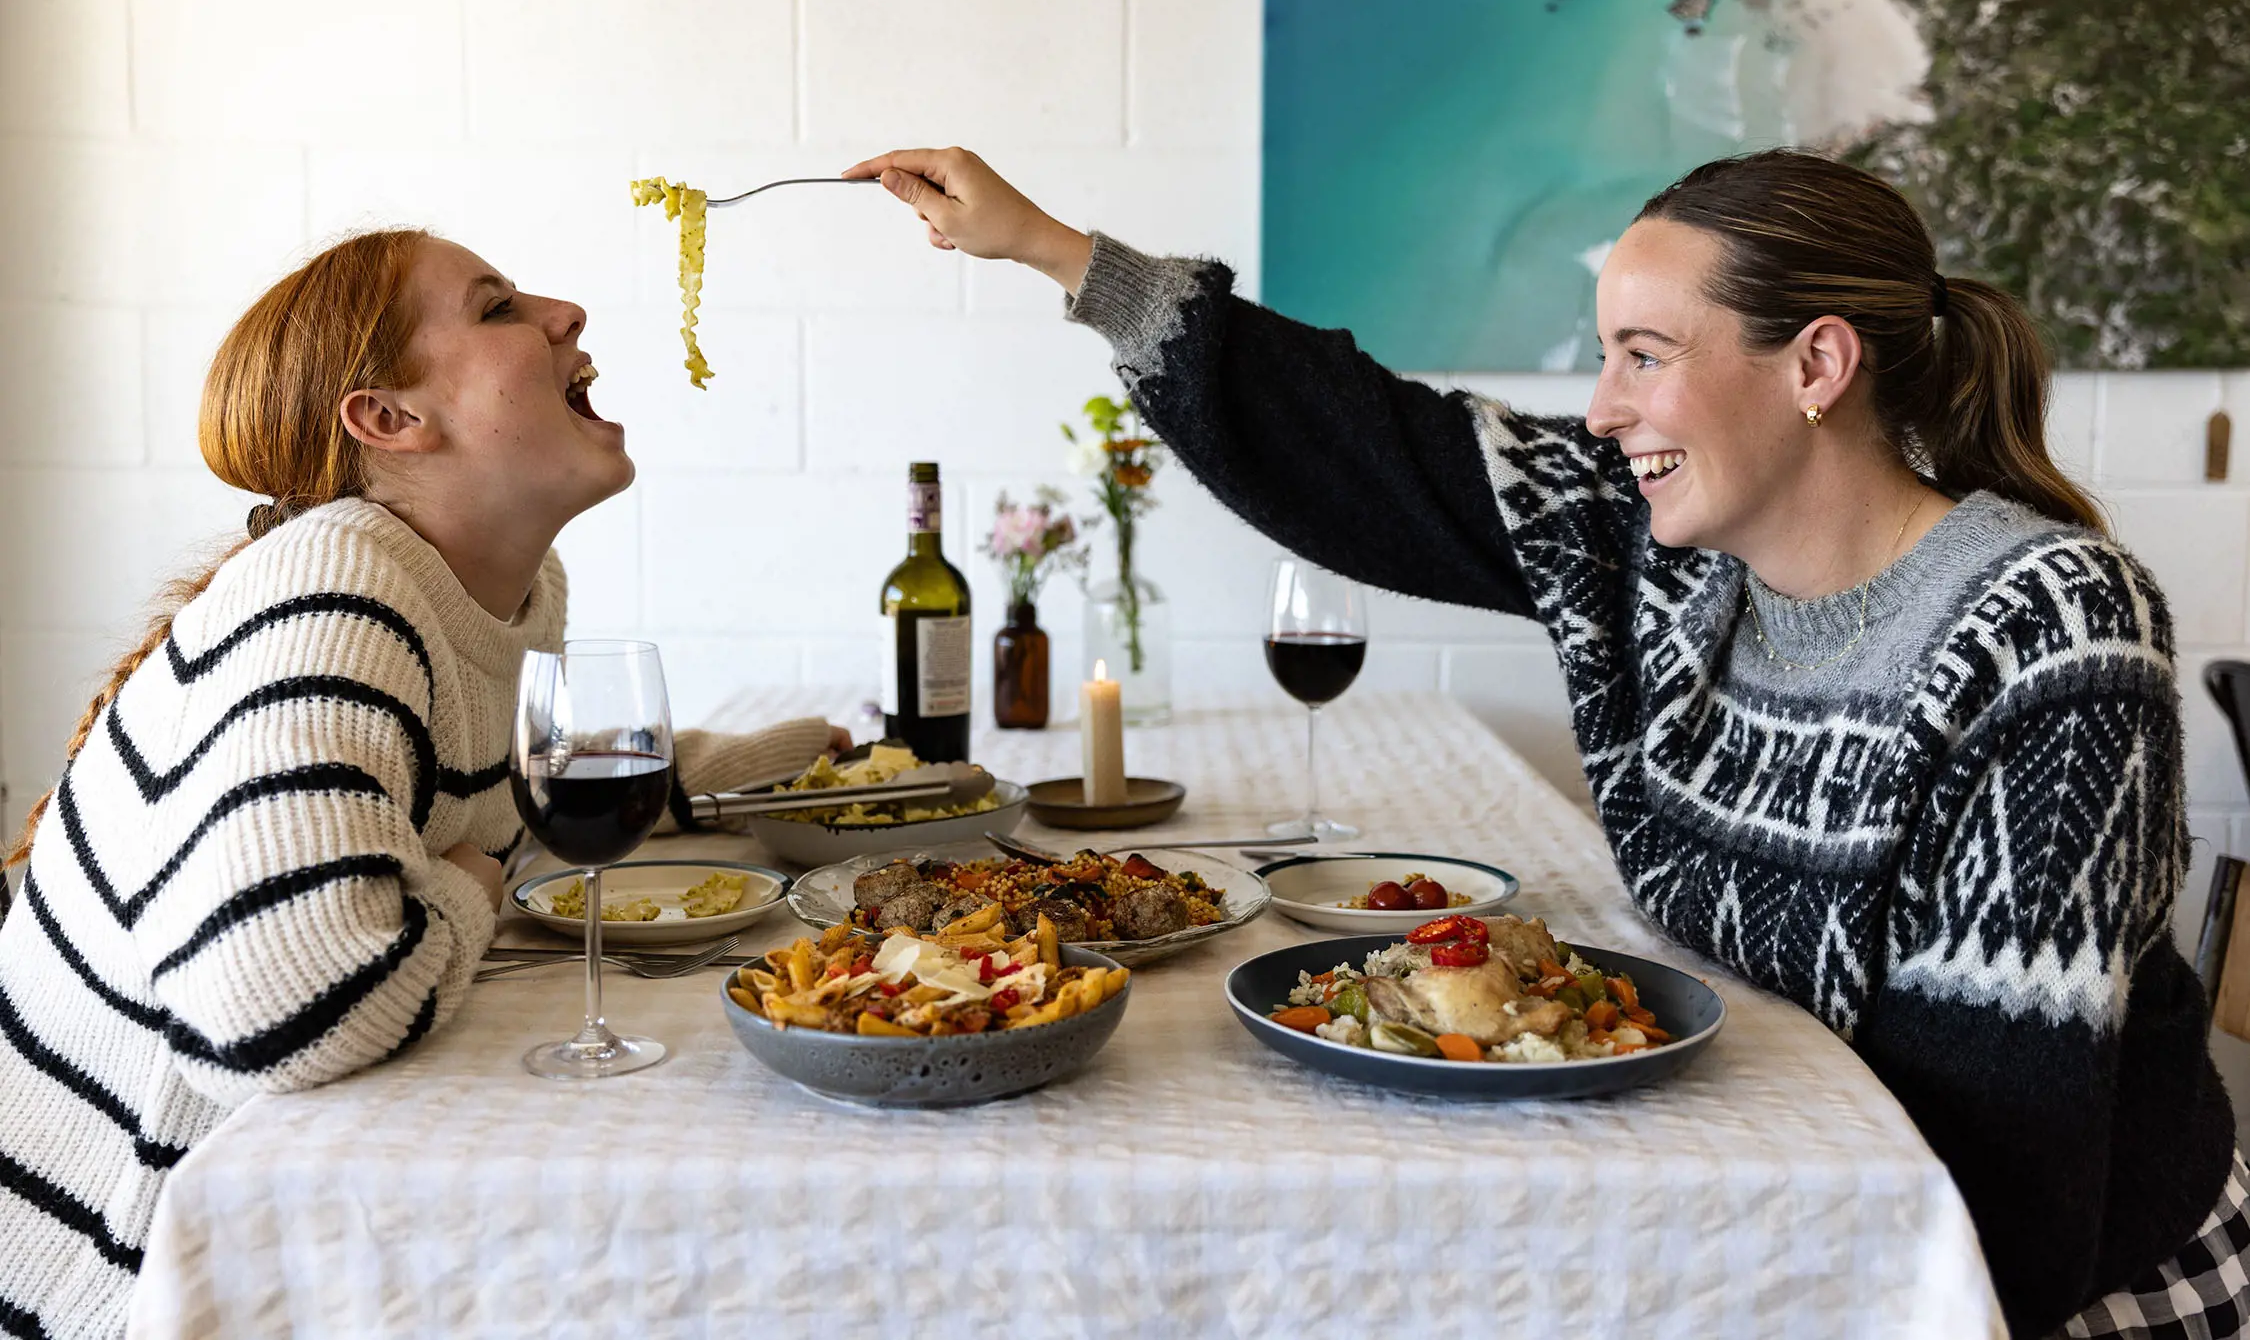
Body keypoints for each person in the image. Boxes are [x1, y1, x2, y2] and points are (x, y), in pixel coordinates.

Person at [843, 145, 2241, 1339]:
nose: (1602, 409)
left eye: (1645, 355)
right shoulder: (1659, 547)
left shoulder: (2043, 627)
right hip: (1811, 1203)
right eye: (1602, 356)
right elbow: (1375, 449)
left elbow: (2012, 1162)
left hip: (2037, 1289)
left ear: (1816, 363)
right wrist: (1049, 250)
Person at [0, 229, 842, 1336]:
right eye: (497, 308)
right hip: (135, 1279)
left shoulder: (500, 591)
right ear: (390, 419)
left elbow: (510, 802)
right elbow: (287, 1010)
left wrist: (789, 774)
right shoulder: (335, 580)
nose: (566, 311)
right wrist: (472, 892)